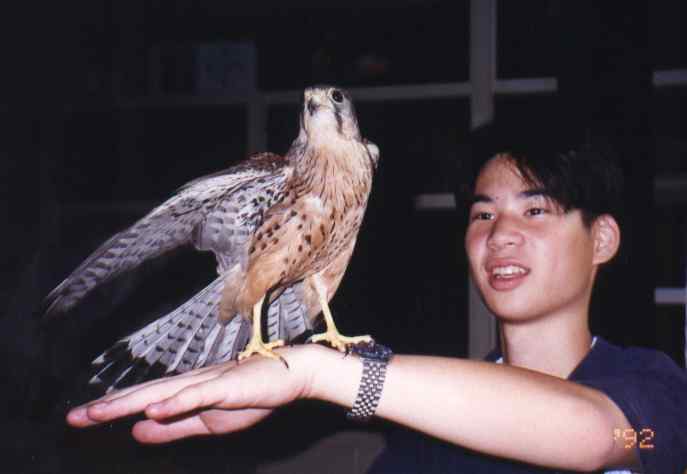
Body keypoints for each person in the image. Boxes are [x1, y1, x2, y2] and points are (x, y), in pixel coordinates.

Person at [66, 137, 687, 473]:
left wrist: (318, 371)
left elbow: (596, 437)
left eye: (535, 210)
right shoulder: (426, 444)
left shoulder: (653, 391)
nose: (500, 235)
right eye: (482, 213)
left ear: (602, 238)